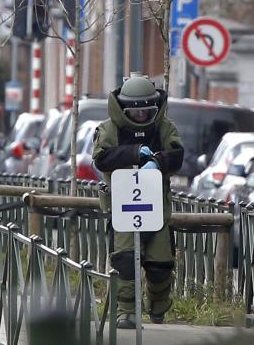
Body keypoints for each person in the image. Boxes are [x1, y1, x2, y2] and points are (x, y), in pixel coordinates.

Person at [92, 73, 184, 329]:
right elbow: (101, 158)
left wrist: (158, 162)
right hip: (122, 208)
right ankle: (127, 311)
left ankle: (158, 306)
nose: (142, 116)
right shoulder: (109, 129)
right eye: (137, 112)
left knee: (160, 263)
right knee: (125, 260)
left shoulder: (165, 128)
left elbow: (176, 155)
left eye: (147, 111)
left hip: (157, 209)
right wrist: (133, 154)